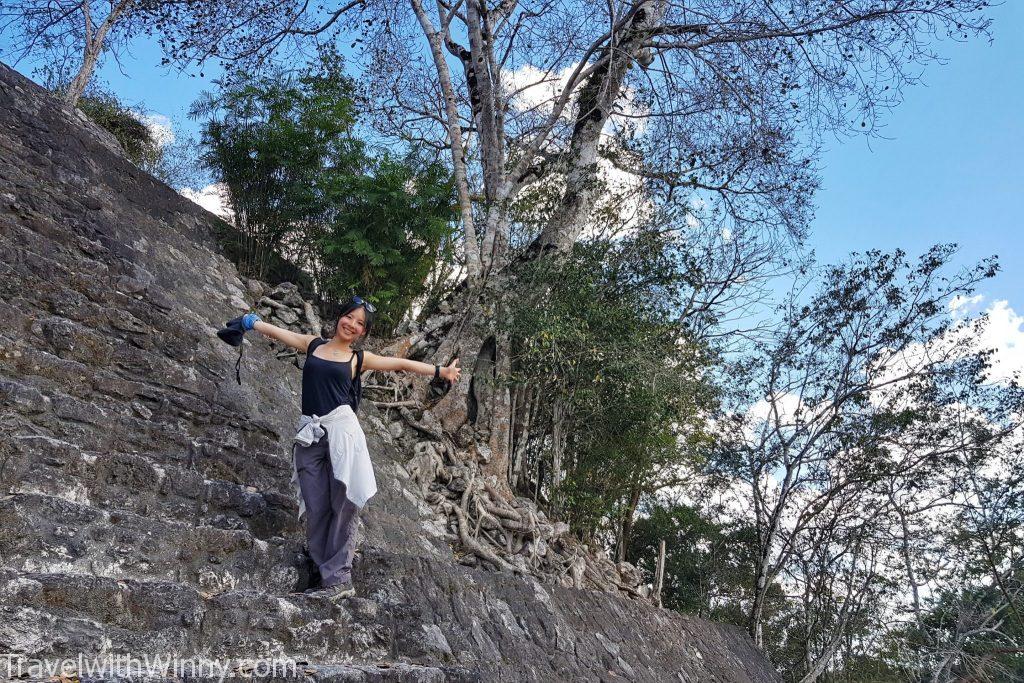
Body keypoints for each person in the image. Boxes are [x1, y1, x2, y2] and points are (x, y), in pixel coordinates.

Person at [240, 295, 460, 602]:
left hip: (342, 435)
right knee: (316, 505)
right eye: (350, 317)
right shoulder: (314, 345)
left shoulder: (357, 359)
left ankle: (339, 578)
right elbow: (282, 333)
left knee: (344, 504)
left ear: (363, 333)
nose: (352, 325)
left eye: (360, 324)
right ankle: (320, 568)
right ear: (339, 317)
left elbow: (399, 363)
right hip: (310, 435)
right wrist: (251, 322)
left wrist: (440, 371)